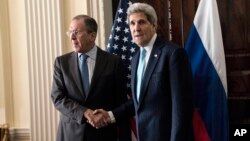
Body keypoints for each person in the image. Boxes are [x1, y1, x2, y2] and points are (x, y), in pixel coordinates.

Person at [51, 14, 131, 141]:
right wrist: (84, 112)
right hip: (70, 134)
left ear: (92, 36)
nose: (72, 37)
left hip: (103, 134)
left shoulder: (113, 62)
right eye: (70, 32)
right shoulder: (62, 62)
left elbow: (120, 101)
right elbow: (57, 98)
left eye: (76, 32)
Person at [127, 3, 194, 141]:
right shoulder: (135, 60)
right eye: (132, 23)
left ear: (154, 25)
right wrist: (110, 115)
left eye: (141, 22)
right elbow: (139, 102)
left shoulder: (173, 54)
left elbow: (181, 107)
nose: (136, 28)